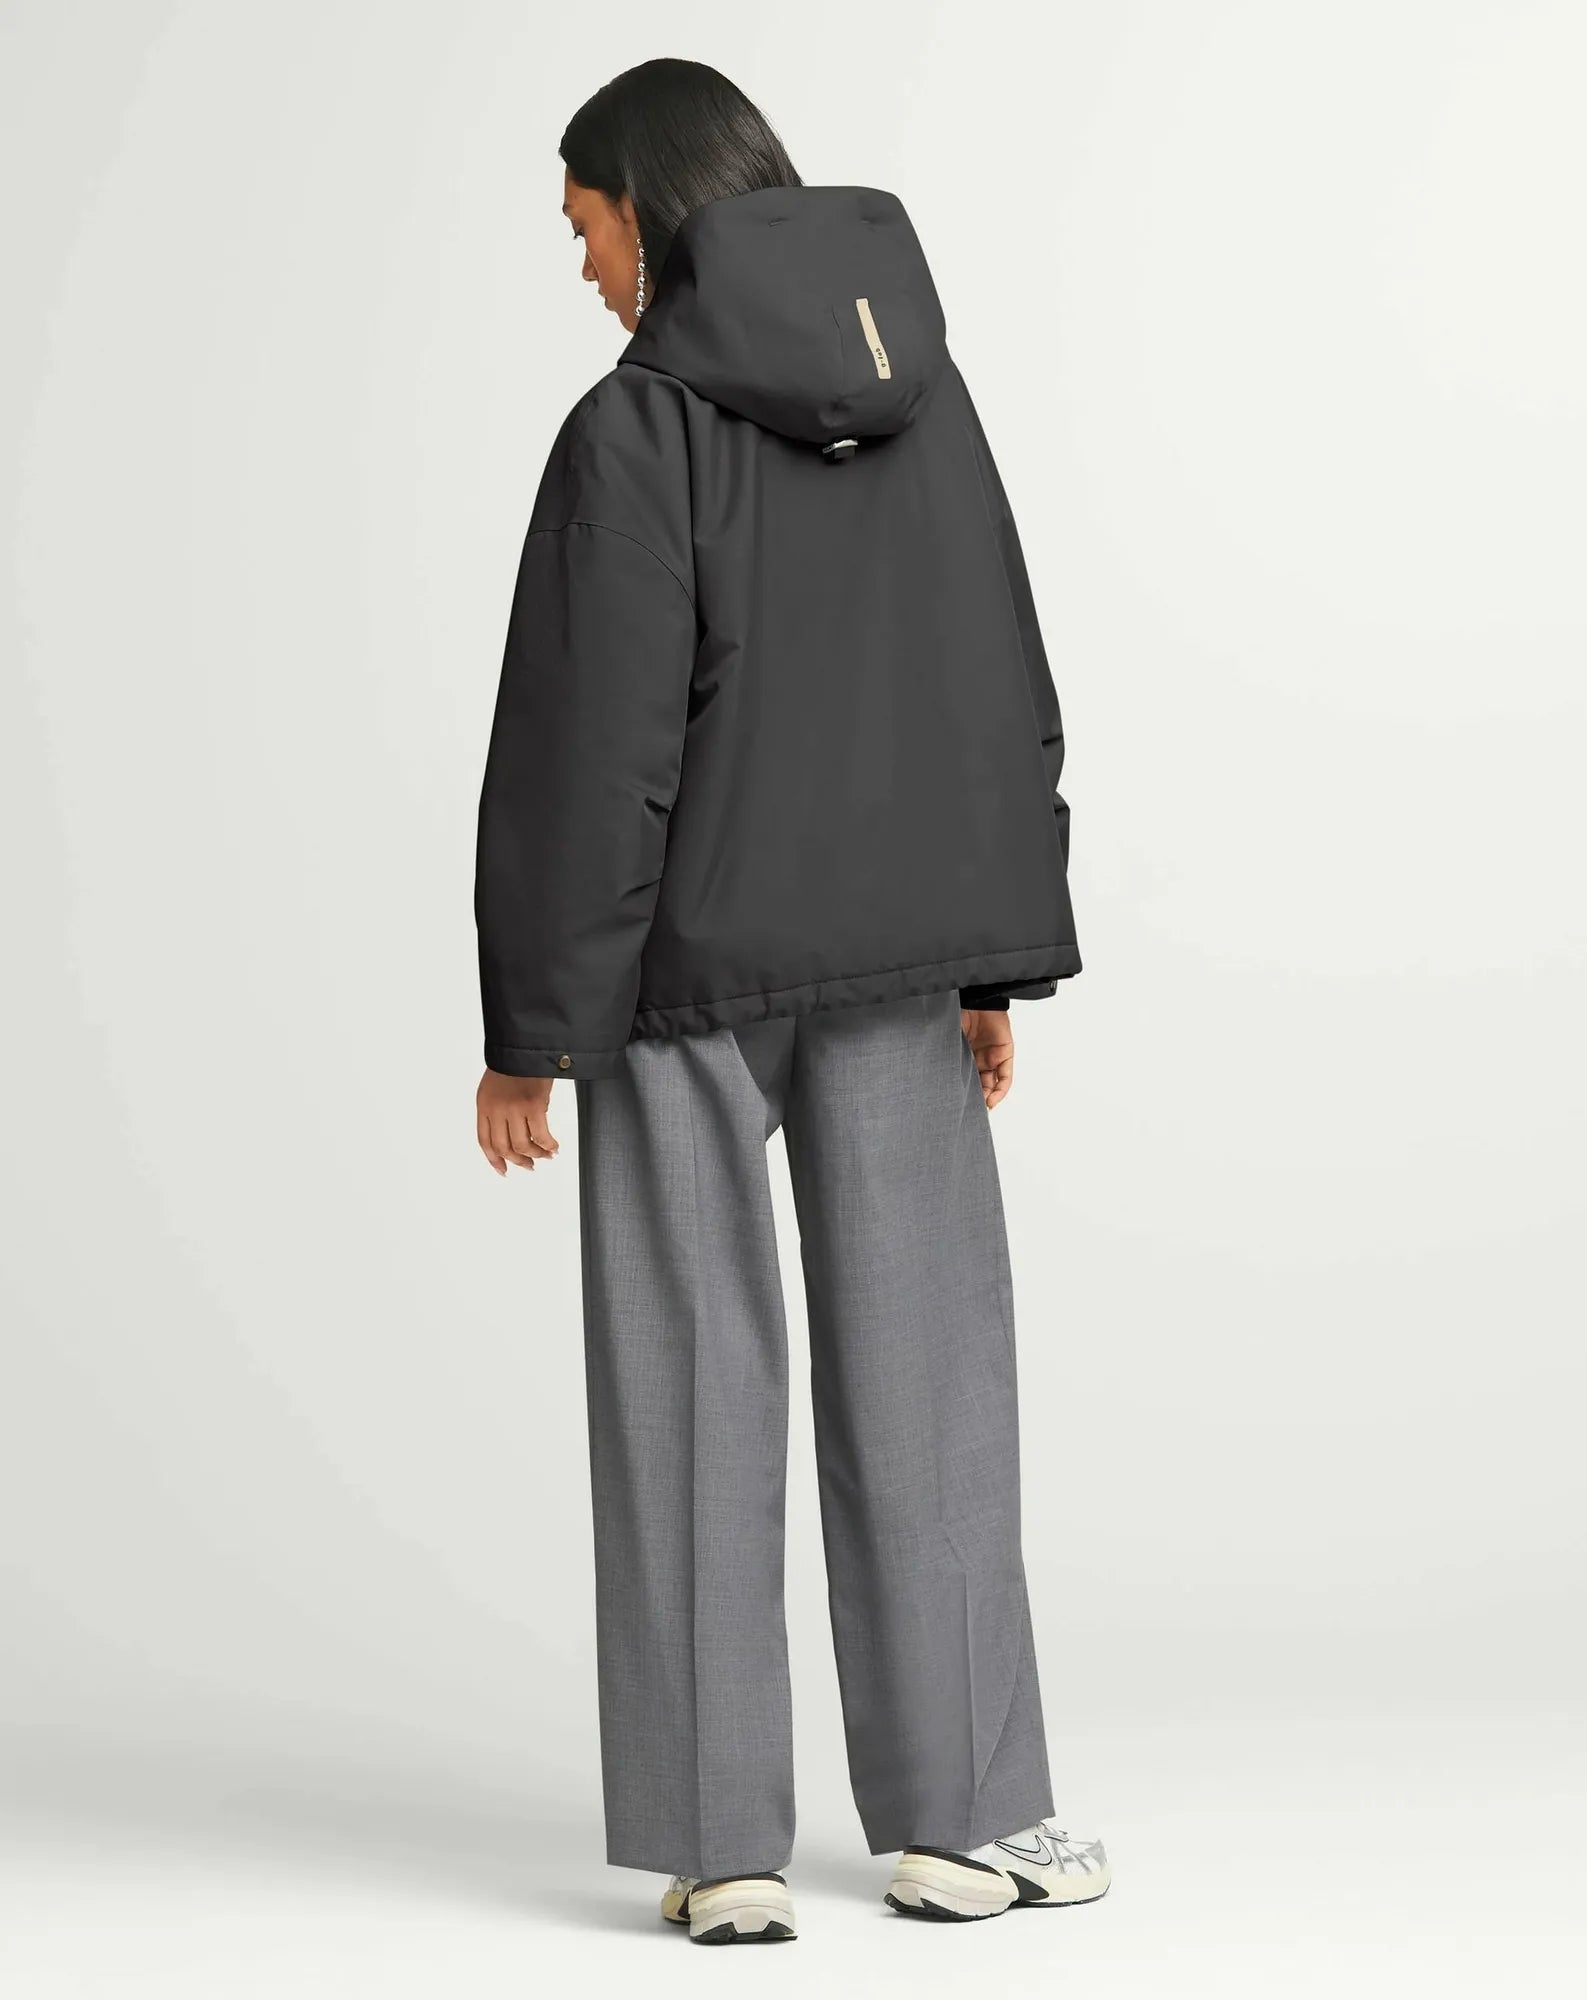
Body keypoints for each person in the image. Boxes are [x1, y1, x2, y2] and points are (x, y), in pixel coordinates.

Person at [473, 57, 1107, 1943]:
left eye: (584, 226)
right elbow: (994, 672)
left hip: (682, 978)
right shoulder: (926, 390)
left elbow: (589, 749)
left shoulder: (634, 428)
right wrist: (991, 956)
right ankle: (967, 1821)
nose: (584, 269)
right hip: (901, 959)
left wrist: (532, 1028)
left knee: (686, 1375)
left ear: (649, 207)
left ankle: (722, 1851)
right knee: (932, 1378)